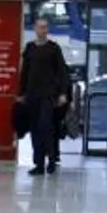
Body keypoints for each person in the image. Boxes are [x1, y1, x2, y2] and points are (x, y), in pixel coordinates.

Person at [17, 17, 70, 175]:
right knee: (34, 128)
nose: (43, 30)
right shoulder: (30, 48)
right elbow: (24, 73)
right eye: (40, 27)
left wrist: (62, 93)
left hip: (48, 95)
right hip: (32, 94)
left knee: (45, 126)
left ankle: (52, 159)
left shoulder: (54, 49)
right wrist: (21, 93)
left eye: (46, 27)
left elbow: (62, 72)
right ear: (35, 29)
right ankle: (38, 163)